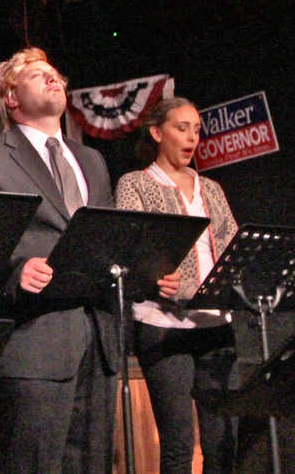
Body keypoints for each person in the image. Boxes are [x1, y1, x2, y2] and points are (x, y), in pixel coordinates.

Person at [0, 47, 119, 472]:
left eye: (56, 74)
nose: (53, 79)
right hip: (34, 341)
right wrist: (14, 271)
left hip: (97, 340)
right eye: (38, 75)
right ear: (10, 97)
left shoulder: (92, 160)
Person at [116, 96, 238, 473]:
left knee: (222, 444)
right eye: (181, 128)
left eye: (197, 130)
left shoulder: (212, 189)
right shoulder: (135, 183)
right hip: (163, 325)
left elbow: (232, 242)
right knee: (178, 445)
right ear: (157, 132)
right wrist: (154, 276)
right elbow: (132, 247)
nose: (192, 137)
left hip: (215, 324)